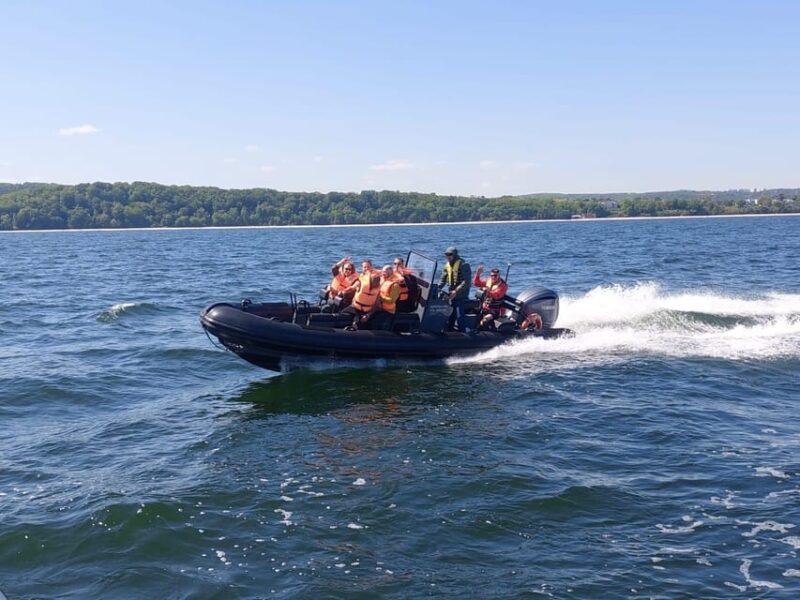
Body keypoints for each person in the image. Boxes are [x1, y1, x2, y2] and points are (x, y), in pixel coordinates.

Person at [438, 246, 472, 332]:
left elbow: (467, 282)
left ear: (455, 255)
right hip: (451, 295)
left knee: (459, 315)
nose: (448, 256)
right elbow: (442, 280)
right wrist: (436, 288)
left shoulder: (464, 265)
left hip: (461, 295)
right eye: (446, 255)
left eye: (450, 255)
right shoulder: (447, 265)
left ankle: (464, 333)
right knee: (449, 315)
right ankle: (449, 331)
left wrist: (456, 291)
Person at [340, 260, 381, 328]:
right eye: (364, 267)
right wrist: (344, 291)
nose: (366, 269)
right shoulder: (362, 278)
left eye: (368, 267)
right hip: (356, 306)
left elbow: (377, 302)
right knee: (344, 313)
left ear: (371, 267)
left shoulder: (377, 282)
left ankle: (355, 324)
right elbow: (354, 287)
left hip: (367, 309)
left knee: (345, 315)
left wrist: (368, 315)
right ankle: (354, 323)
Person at [472, 265, 509, 330]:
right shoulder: (488, 281)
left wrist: (486, 291)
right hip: (484, 308)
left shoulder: (503, 286)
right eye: (492, 275)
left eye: (495, 276)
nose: (493, 277)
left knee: (486, 318)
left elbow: (497, 295)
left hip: (494, 310)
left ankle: (480, 329)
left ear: (499, 275)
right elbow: (477, 283)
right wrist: (478, 274)